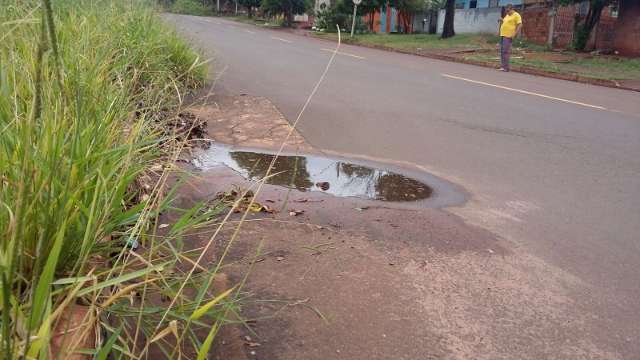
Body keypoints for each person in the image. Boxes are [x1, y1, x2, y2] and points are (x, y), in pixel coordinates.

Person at [497, 4, 522, 72]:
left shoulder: (516, 15)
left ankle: (506, 67)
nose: (507, 12)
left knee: (506, 51)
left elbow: (520, 25)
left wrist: (515, 34)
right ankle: (502, 66)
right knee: (502, 51)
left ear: (512, 9)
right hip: (503, 35)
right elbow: (505, 22)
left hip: (508, 35)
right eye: (506, 11)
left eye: (508, 10)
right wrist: (501, 20)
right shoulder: (507, 15)